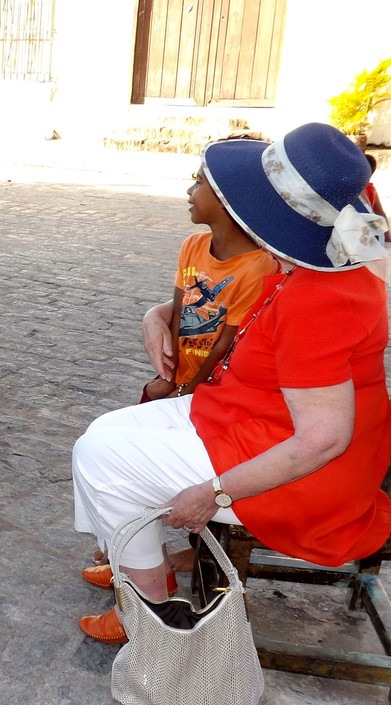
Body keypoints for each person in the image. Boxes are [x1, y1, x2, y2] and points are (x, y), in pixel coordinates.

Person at [72, 122, 391, 644]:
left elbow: (324, 438)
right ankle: (145, 562)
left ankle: (150, 611)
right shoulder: (323, 263)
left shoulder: (322, 298)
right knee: (105, 434)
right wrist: (158, 314)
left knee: (100, 458)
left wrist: (212, 493)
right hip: (255, 416)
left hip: (305, 470)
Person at [81, 146, 277, 588]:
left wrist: (181, 389)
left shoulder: (259, 267)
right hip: (186, 385)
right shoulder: (192, 246)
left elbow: (224, 347)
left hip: (212, 393)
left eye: (199, 182)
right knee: (111, 433)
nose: (189, 191)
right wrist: (167, 376)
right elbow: (177, 312)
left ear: (230, 199)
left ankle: (146, 580)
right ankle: (130, 555)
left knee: (119, 457)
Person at [364, 154, 391, 242]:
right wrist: (387, 236)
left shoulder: (354, 188)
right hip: (369, 231)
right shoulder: (371, 189)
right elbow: (380, 214)